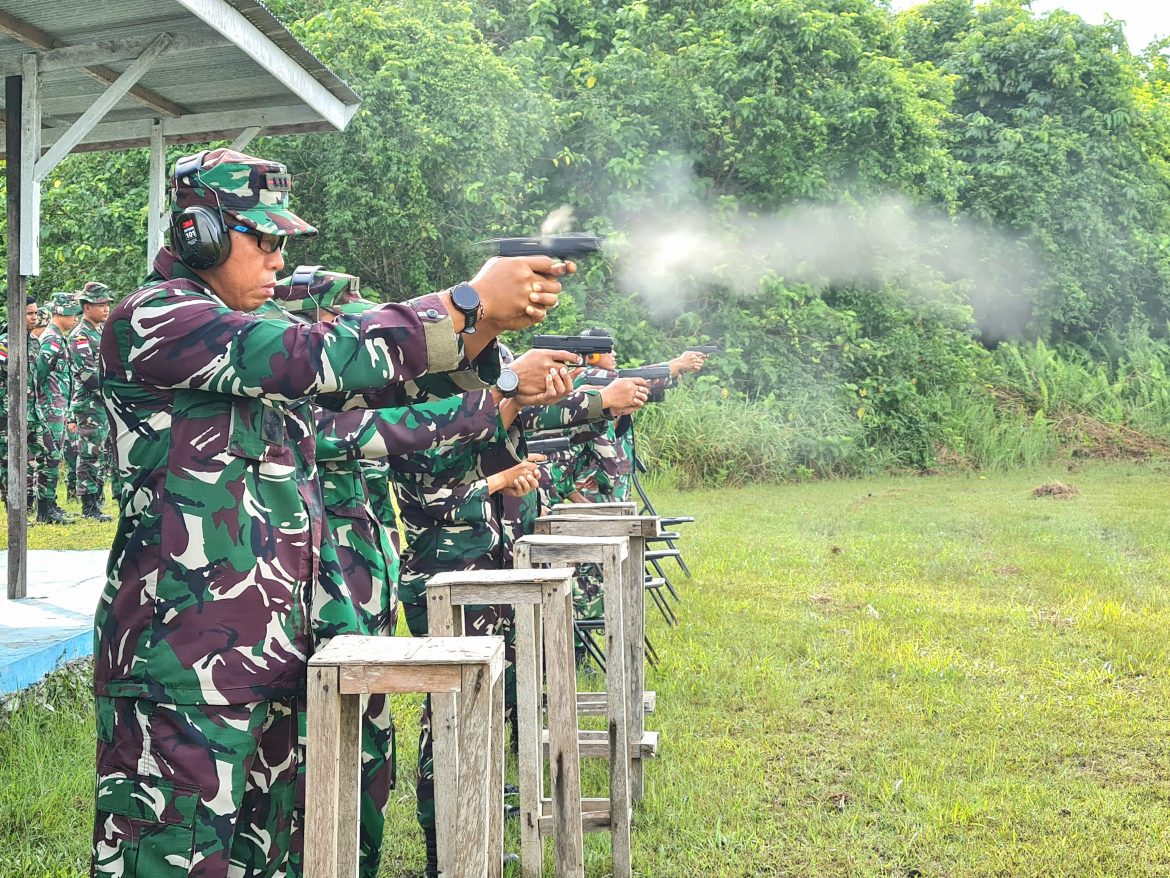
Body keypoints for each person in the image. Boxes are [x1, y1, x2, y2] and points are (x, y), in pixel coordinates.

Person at [90, 147, 573, 878]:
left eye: (284, 242)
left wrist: (483, 341)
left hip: (271, 656)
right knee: (175, 859)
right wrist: (464, 302)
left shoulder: (245, 337)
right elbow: (319, 355)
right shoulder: (158, 319)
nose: (278, 258)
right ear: (199, 235)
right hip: (181, 671)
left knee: (278, 857)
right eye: (264, 238)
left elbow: (371, 397)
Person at [68, 281, 114, 520]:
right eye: (100, 304)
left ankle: (97, 501)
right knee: (89, 454)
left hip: (102, 403)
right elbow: (88, 375)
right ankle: (88, 506)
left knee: (101, 454)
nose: (105, 308)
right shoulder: (81, 336)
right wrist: (112, 392)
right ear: (86, 307)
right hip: (90, 404)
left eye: (107, 303)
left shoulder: (101, 331)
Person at [34, 291, 80, 523]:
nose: (76, 317)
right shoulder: (51, 339)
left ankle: (50, 504)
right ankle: (45, 509)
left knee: (54, 456)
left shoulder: (57, 336)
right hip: (50, 408)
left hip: (58, 408)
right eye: (73, 312)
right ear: (59, 311)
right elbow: (37, 373)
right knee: (50, 456)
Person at [0, 295, 41, 505]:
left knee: (32, 457)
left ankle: (29, 503)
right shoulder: (5, 344)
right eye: (29, 313)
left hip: (31, 411)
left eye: (36, 313)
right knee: (9, 459)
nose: (34, 317)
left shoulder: (34, 342)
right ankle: (12, 504)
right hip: (7, 412)